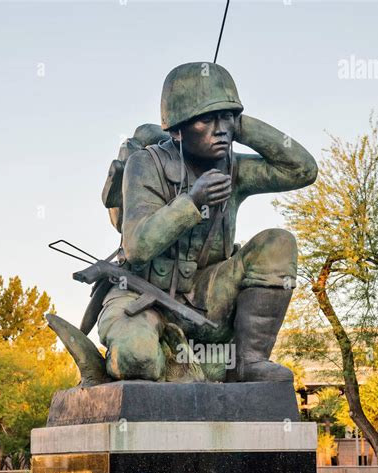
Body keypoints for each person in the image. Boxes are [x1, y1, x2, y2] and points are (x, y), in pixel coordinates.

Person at [97, 61, 318, 383]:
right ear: (177, 129)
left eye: (226, 117)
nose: (220, 129)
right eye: (205, 119)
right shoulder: (145, 163)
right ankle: (166, 356)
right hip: (140, 295)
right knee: (135, 359)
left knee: (277, 242)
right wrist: (192, 202)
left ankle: (248, 362)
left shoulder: (233, 168)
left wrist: (239, 124)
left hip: (207, 294)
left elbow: (302, 171)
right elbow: (137, 248)